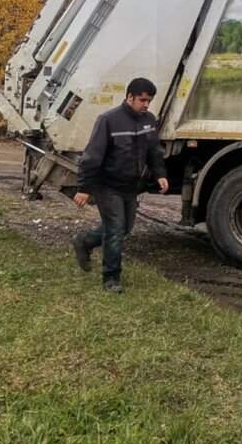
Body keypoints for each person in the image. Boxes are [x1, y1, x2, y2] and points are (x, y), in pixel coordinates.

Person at [71, 77, 169, 293]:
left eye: (149, 101)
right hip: (108, 186)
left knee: (125, 227)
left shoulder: (149, 120)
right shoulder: (108, 121)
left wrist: (160, 174)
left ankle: (85, 242)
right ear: (130, 97)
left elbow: (154, 151)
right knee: (115, 230)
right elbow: (92, 157)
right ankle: (111, 278)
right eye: (142, 100)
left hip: (131, 187)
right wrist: (85, 188)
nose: (146, 105)